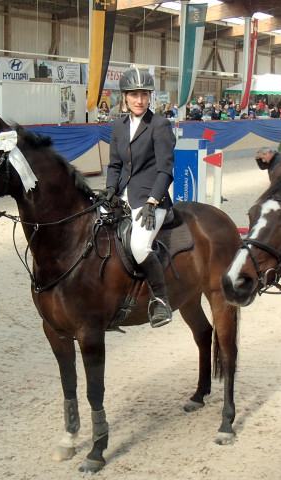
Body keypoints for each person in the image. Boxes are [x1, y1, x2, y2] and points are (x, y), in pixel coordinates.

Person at [96, 68, 175, 328]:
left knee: (139, 246)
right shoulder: (118, 125)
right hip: (122, 196)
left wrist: (153, 202)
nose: (139, 100)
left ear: (149, 97)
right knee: (95, 230)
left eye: (144, 94)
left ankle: (161, 301)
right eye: (133, 95)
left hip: (150, 198)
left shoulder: (160, 125)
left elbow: (165, 170)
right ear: (125, 97)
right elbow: (115, 165)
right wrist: (109, 189)